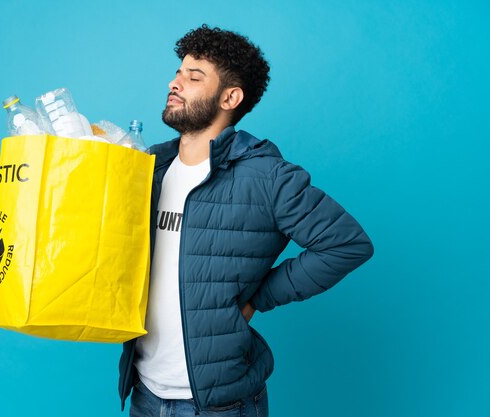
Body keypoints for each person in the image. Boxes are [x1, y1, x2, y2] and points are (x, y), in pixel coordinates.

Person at [118, 24, 374, 417]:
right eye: (178, 72)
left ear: (230, 97)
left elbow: (347, 244)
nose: (175, 82)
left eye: (194, 76)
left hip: (220, 405)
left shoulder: (267, 176)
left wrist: (259, 297)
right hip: (145, 393)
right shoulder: (151, 166)